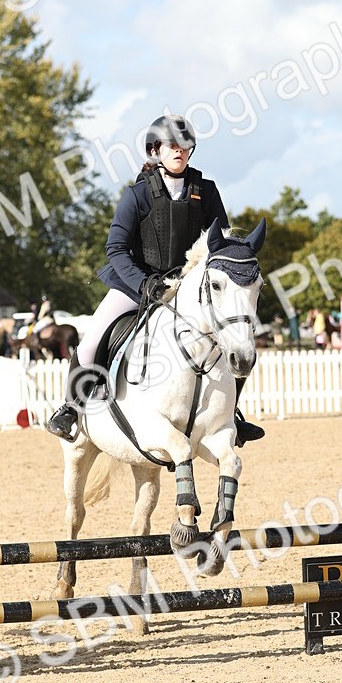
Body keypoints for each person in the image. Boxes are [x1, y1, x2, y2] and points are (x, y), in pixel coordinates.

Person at [47, 113, 265, 446]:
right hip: (136, 283)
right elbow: (116, 249)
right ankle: (71, 409)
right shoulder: (137, 195)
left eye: (185, 146)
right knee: (92, 340)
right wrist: (143, 283)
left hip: (187, 286)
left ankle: (231, 412)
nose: (180, 151)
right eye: (172, 145)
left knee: (232, 338)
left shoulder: (205, 191)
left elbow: (218, 243)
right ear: (156, 151)